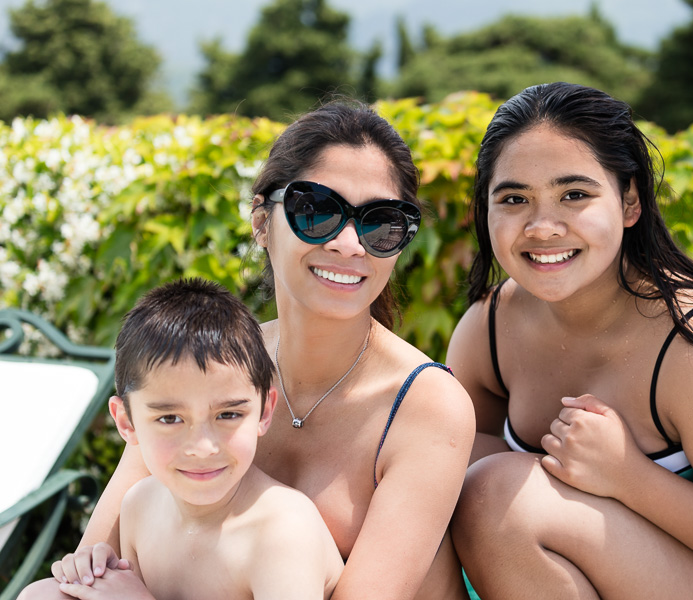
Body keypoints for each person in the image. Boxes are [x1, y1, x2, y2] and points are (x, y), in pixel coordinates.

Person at [24, 101, 475, 600]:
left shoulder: (426, 404)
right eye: (317, 211)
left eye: (380, 222)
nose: (350, 243)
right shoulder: (212, 363)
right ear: (261, 220)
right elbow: (93, 567)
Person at [446, 82, 693, 599]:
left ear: (630, 201)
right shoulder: (490, 327)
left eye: (574, 195)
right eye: (514, 199)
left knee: (496, 496)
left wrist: (627, 475)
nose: (542, 226)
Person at [27, 277, 343, 600]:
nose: (202, 447)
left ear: (264, 411)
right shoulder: (140, 506)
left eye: (228, 415)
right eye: (170, 419)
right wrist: (87, 575)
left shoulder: (281, 533)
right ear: (127, 422)